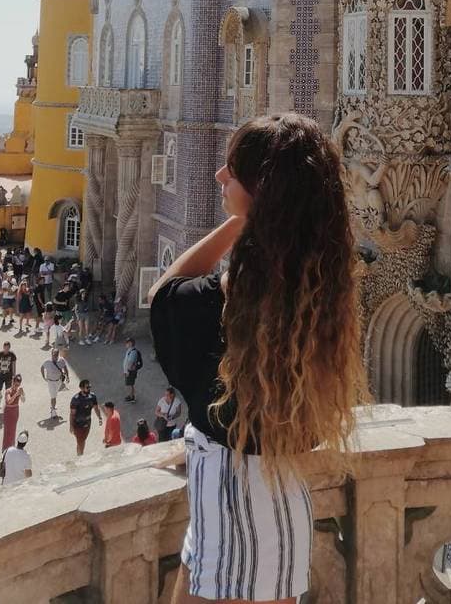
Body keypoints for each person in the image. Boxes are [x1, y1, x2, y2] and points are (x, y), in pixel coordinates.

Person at [149, 113, 368, 604]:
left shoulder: (232, 304)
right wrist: (261, 212)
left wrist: (239, 222)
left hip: (235, 510)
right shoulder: (311, 297)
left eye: (233, 170)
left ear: (261, 192)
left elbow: (164, 292)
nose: (219, 176)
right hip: (273, 503)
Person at [69, 379, 102, 455]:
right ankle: (80, 457)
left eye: (90, 387)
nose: (89, 389)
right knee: (81, 441)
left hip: (87, 423)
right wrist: (71, 426)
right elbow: (72, 414)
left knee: (82, 441)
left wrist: (99, 417)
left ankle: (79, 454)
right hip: (78, 425)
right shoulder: (76, 399)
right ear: (82, 388)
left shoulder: (92, 396)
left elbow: (96, 408)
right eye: (87, 387)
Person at [40, 348, 69, 420]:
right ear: (51, 354)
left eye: (56, 355)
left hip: (58, 381)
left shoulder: (61, 360)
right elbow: (42, 368)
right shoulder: (47, 362)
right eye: (53, 355)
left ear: (58, 355)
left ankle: (53, 406)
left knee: (55, 395)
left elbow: (65, 367)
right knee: (53, 397)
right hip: (51, 382)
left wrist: (67, 376)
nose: (55, 357)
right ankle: (53, 412)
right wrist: (44, 377)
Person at [1, 373, 24, 450]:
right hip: (8, 412)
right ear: (12, 382)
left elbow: (23, 400)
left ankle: (11, 447)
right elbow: (9, 401)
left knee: (13, 430)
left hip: (15, 411)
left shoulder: (18, 390)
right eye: (15, 384)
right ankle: (5, 448)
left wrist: (22, 394)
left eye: (18, 385)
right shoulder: (8, 391)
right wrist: (16, 394)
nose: (16, 386)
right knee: (7, 431)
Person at [0, 342, 17, 410]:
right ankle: (0, 396)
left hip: (8, 377)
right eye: (5, 347)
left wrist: (14, 376)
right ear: (3, 347)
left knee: (8, 392)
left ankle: (6, 405)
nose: (6, 349)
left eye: (8, 348)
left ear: (9, 348)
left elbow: (14, 365)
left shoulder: (12, 355)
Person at [122, 337, 142, 402]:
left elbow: (130, 363)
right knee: (130, 384)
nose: (125, 344)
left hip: (130, 372)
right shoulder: (130, 350)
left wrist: (127, 371)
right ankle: (131, 395)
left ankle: (132, 397)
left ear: (130, 343)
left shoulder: (133, 352)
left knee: (130, 385)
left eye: (127, 343)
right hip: (129, 371)